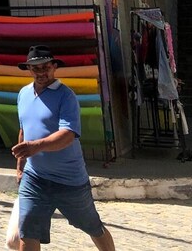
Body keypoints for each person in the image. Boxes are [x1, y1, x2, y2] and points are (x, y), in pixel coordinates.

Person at [10, 45, 115, 251]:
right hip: (35, 179)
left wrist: (36, 146)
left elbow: (67, 135)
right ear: (29, 70)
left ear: (54, 66)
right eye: (35, 68)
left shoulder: (66, 96)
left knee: (92, 226)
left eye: (45, 67)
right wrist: (20, 167)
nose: (41, 72)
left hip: (69, 181)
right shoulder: (23, 94)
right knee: (28, 231)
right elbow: (24, 131)